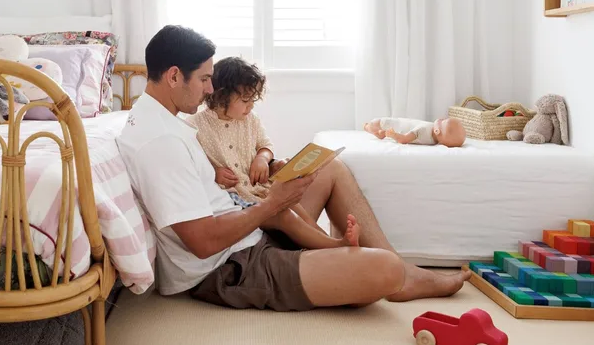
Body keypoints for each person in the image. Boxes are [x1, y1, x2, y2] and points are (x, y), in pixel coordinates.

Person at [117, 25, 468, 311]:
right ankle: (393, 272)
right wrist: (273, 204)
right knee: (383, 269)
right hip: (230, 266)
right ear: (175, 76)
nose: (210, 88)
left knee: (332, 169)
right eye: (205, 79)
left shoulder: (165, 123)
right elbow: (203, 243)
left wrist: (271, 185)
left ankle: (398, 273)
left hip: (246, 229)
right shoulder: (159, 142)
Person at [187, 56, 359, 250]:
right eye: (245, 100)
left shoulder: (250, 119)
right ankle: (334, 247)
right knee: (286, 216)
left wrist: (262, 157)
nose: (251, 105)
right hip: (235, 198)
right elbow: (194, 164)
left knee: (294, 205)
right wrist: (215, 172)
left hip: (260, 189)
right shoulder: (195, 126)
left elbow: (265, 145)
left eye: (253, 99)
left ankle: (327, 241)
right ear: (221, 95)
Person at [364, 115, 466, 147]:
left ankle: (367, 127)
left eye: (443, 121)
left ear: (437, 131)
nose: (442, 119)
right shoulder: (433, 141)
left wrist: (393, 135)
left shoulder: (424, 130)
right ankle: (380, 134)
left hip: (394, 125)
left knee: (376, 123)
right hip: (396, 126)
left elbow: (404, 139)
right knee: (380, 128)